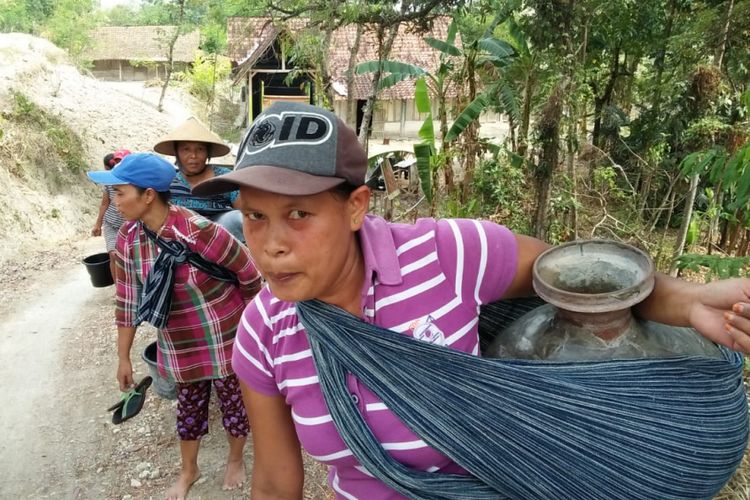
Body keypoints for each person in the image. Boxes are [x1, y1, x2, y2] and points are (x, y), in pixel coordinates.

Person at [193, 102, 750, 499]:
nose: (271, 245)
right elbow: (274, 483)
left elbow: (583, 275)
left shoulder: (445, 254)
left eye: (299, 215)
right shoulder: (265, 331)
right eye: (256, 216)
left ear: (357, 207)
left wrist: (694, 301)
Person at [87, 153, 262, 500]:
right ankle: (189, 471)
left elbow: (249, 273)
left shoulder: (199, 230)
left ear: (148, 195)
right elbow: (128, 300)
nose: (115, 202)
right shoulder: (128, 239)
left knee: (233, 403)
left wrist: (253, 332)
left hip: (223, 333)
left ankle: (235, 458)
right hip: (179, 340)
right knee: (189, 406)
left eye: (120, 193)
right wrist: (123, 358)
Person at [153, 117, 245, 243]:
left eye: (200, 149)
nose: (193, 156)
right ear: (176, 153)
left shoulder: (224, 178)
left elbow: (246, 213)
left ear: (208, 153)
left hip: (221, 241)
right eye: (186, 149)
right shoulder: (168, 181)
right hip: (179, 242)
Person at [91, 148, 131, 280]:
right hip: (111, 224)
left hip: (130, 226)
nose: (119, 164)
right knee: (113, 254)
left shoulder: (136, 183)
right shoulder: (109, 182)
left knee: (130, 257)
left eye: (122, 161)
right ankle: (118, 289)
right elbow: (104, 203)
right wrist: (98, 224)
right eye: (117, 161)